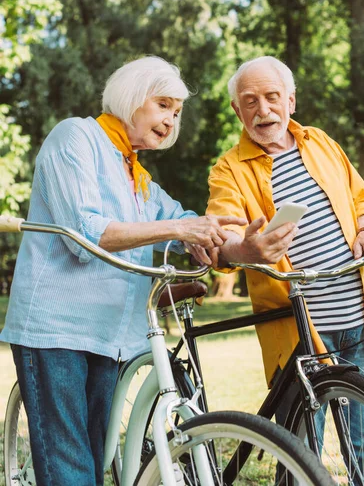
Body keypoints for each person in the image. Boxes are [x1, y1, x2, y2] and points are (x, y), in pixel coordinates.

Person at [0, 56, 246, 486]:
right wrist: (179, 227)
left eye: (177, 111)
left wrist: (242, 244)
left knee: (94, 462)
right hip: (57, 330)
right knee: (70, 467)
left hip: (112, 337)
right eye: (164, 104)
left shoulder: (138, 177)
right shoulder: (75, 136)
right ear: (132, 97)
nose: (172, 118)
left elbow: (186, 226)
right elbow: (86, 232)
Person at [206, 55, 364, 482]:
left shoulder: (321, 142)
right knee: (299, 462)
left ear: (290, 101)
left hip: (360, 321)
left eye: (272, 97)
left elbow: (362, 198)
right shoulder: (228, 170)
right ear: (238, 111)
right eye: (250, 101)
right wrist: (248, 250)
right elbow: (223, 240)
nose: (263, 110)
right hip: (296, 332)